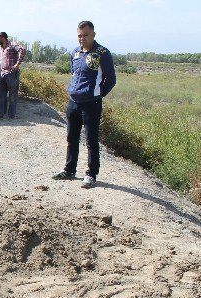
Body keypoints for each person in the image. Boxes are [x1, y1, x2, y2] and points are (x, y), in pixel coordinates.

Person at [52, 21, 116, 189]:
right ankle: (69, 169)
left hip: (91, 105)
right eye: (79, 35)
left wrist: (97, 94)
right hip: (73, 103)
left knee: (91, 141)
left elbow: (111, 80)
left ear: (93, 34)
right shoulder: (75, 53)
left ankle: (91, 174)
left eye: (85, 35)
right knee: (71, 138)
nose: (82, 38)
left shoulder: (102, 53)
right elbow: (74, 74)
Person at [0, 32, 25, 119]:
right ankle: (0, 115)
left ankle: (11, 116)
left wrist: (17, 64)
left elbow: (22, 50)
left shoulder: (12, 44)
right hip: (2, 74)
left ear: (3, 38)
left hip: (12, 74)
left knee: (12, 96)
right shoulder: (0, 47)